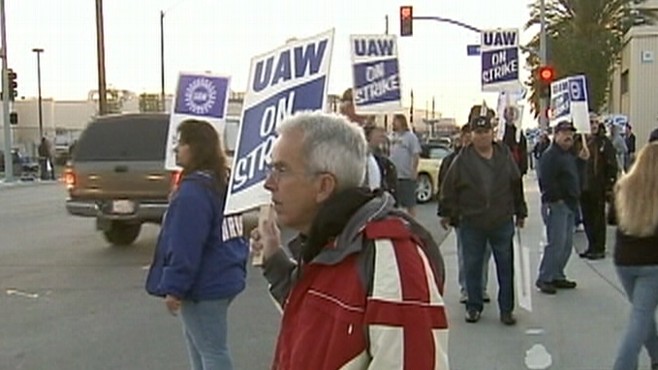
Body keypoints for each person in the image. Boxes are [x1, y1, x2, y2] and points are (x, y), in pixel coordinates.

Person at [250, 111, 449, 369]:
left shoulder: (392, 255)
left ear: (324, 186)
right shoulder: (332, 241)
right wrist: (274, 260)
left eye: (281, 170)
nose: (268, 183)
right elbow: (316, 322)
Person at [145, 119, 249, 370]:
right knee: (201, 348)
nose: (176, 149)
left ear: (195, 148)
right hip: (224, 276)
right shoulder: (219, 183)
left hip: (204, 285)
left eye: (181, 143)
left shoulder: (193, 193)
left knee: (212, 352)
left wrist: (175, 287)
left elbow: (185, 246)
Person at [439, 105, 527, 325]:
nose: (481, 136)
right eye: (477, 133)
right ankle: (473, 306)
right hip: (472, 221)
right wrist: (446, 213)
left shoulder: (504, 155)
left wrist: (521, 211)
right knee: (472, 266)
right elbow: (449, 187)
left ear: (491, 133)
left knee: (505, 267)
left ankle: (506, 310)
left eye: (485, 131)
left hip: (501, 220)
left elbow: (516, 184)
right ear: (472, 135)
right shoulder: (462, 159)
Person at [612, 142, 658, 370]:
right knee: (640, 318)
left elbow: (613, 218)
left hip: (624, 260)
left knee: (643, 314)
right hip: (652, 261)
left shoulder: (624, 186)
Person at [437, 123, 492, 304]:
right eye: (467, 135)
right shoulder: (453, 161)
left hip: (486, 216)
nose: (469, 138)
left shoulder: (488, 158)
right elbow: (445, 189)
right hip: (463, 216)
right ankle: (467, 289)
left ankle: (480, 287)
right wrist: (446, 212)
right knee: (466, 255)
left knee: (484, 253)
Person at [535, 121, 589, 294]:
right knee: (556, 243)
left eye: (571, 134)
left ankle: (557, 274)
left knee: (566, 244)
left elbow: (574, 176)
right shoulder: (551, 155)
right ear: (556, 134)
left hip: (570, 204)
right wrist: (556, 199)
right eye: (564, 133)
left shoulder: (568, 155)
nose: (568, 137)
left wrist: (581, 161)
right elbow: (546, 180)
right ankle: (545, 277)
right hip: (557, 204)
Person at [580, 117, 618, 260]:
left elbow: (611, 164)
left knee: (598, 218)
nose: (594, 125)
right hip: (584, 187)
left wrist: (609, 185)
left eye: (596, 122)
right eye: (591, 122)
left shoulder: (604, 143)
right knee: (587, 219)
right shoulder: (582, 143)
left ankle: (599, 248)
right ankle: (591, 246)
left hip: (598, 186)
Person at [389, 113, 422, 217]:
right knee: (394, 204)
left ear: (401, 122)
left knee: (410, 204)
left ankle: (412, 226)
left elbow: (415, 154)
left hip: (406, 176)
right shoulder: (391, 136)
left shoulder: (410, 137)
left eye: (395, 121)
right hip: (393, 176)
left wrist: (413, 170)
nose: (393, 123)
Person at [364, 125, 398, 196]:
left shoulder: (381, 155)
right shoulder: (364, 155)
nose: (382, 139)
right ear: (369, 137)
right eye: (379, 136)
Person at [501, 106, 528, 176]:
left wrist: (523, 167)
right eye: (509, 113)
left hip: (517, 166)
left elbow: (523, 150)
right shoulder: (501, 132)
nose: (510, 115)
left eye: (512, 113)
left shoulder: (518, 131)